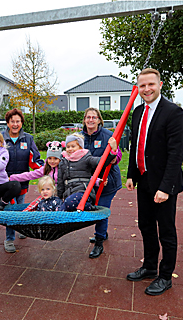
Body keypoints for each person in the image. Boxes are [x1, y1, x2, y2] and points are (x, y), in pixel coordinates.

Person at [125, 68, 183, 296]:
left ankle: (165, 276)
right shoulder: (138, 111)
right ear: (138, 88)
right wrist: (132, 174)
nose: (147, 89)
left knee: (166, 231)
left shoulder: (173, 112)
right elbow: (136, 145)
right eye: (142, 86)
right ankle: (150, 266)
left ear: (160, 85)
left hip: (164, 184)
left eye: (151, 84)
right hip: (144, 179)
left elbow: (175, 154)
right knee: (146, 226)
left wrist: (165, 188)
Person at [81, 107, 123, 259]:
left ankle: (99, 242)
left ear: (99, 120)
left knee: (101, 210)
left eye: (94, 117)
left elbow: (118, 156)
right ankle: (102, 233)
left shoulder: (108, 136)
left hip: (107, 181)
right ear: (84, 120)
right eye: (88, 117)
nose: (91, 120)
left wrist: (113, 157)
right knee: (94, 208)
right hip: (90, 181)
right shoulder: (80, 137)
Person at [2, 108, 44, 241]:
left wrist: (46, 168)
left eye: (18, 121)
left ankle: (21, 228)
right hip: (5, 181)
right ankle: (9, 239)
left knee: (20, 207)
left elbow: (35, 159)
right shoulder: (1, 138)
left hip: (22, 181)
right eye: (12, 121)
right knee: (10, 210)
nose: (15, 124)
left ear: (22, 123)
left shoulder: (28, 138)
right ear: (8, 123)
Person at [58, 133, 117, 215]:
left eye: (73, 146)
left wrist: (112, 153)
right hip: (69, 194)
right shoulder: (63, 162)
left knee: (69, 203)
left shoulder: (86, 158)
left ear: (80, 147)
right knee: (60, 208)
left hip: (83, 192)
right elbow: (60, 182)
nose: (70, 149)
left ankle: (90, 207)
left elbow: (101, 162)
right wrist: (59, 197)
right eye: (68, 147)